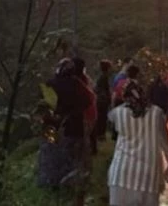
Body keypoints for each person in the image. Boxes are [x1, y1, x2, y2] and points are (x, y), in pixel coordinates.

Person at [107, 80, 168, 206]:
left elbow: (109, 118)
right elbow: (165, 142)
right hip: (148, 177)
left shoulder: (117, 113)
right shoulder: (156, 113)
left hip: (120, 174)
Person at [37, 58, 92, 206]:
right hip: (73, 128)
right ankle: (69, 186)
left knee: (50, 155)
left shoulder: (50, 84)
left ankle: (51, 183)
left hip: (52, 128)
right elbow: (89, 100)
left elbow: (41, 105)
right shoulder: (77, 84)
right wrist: (75, 111)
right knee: (72, 158)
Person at [93, 60, 113, 144]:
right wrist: (108, 98)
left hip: (101, 100)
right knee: (102, 118)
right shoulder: (104, 77)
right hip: (103, 101)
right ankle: (100, 135)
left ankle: (100, 134)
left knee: (101, 117)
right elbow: (104, 90)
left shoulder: (101, 77)